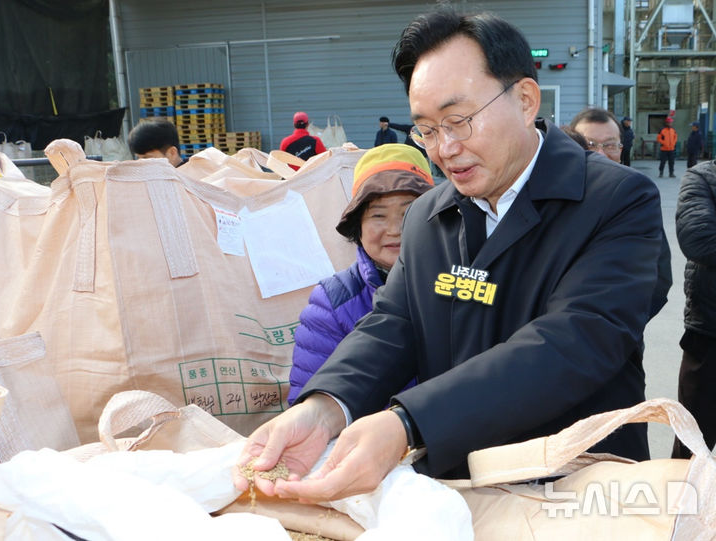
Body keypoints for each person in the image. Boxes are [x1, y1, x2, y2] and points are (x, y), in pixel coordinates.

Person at [233, 6, 665, 502]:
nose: (445, 149)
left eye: (459, 121)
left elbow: (574, 342)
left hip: (577, 487)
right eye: (428, 130)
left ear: (525, 100)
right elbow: (394, 323)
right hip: (457, 489)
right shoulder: (429, 215)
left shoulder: (616, 200)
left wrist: (409, 423)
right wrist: (326, 405)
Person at [288, 144, 434, 405]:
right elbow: (311, 404)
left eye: (409, 212)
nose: (394, 230)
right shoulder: (332, 301)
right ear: (359, 225)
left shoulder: (464, 283)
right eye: (378, 215)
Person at [570, 107, 672, 319]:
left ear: (621, 148)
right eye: (589, 144)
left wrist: (624, 325)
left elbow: (658, 279)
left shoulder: (637, 199)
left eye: (610, 145)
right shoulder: (552, 197)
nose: (600, 154)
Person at [671, 159, 716, 459]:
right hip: (710, 333)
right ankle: (681, 504)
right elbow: (699, 241)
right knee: (692, 446)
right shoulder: (703, 176)